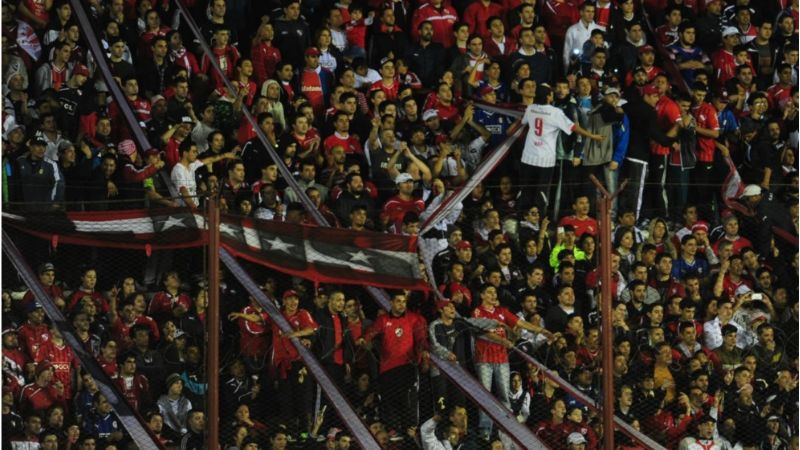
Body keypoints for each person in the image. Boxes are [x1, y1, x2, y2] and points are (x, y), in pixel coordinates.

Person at [513, 85, 603, 215]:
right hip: (545, 160)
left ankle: (521, 219)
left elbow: (523, 122)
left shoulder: (530, 109)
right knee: (542, 193)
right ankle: (539, 222)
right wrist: (592, 136)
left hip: (528, 156)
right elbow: (573, 127)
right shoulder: (555, 112)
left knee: (525, 190)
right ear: (549, 96)